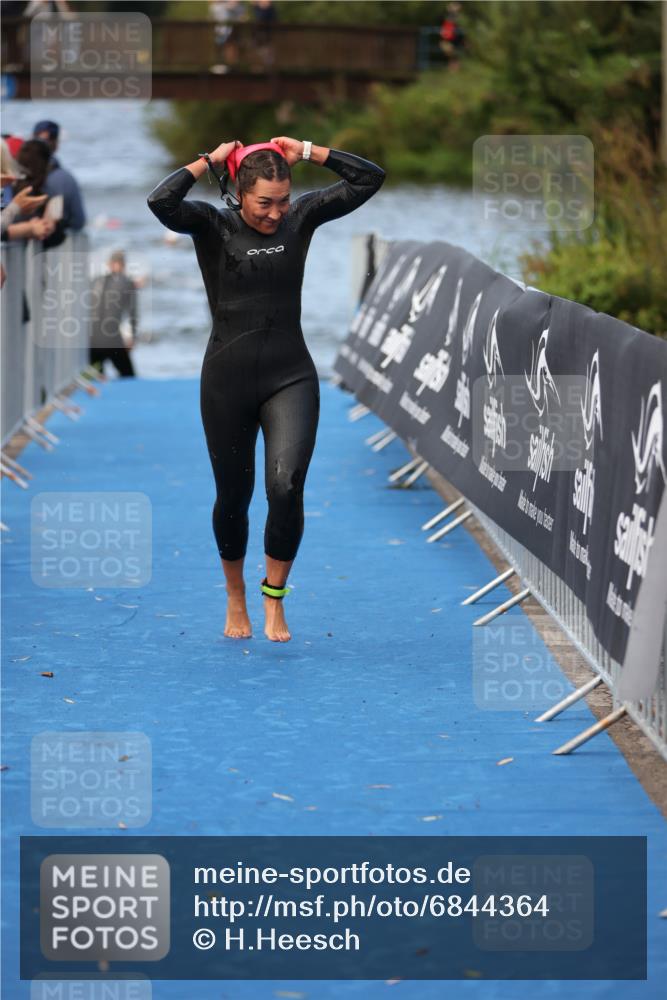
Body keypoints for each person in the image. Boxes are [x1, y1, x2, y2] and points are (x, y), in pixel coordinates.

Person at [147, 136, 385, 642]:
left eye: (283, 199)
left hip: (289, 375)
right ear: (238, 191)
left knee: (286, 485)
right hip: (226, 381)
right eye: (264, 203)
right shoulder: (212, 225)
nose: (276, 213)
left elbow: (369, 179)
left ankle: (274, 599)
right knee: (234, 497)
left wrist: (309, 151)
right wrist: (207, 160)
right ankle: (235, 597)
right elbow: (161, 202)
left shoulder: (301, 218)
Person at [88, 250, 138, 378]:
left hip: (92, 340)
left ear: (109, 264)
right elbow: (132, 313)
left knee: (95, 377)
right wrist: (131, 337)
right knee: (129, 376)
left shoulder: (95, 281)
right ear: (124, 265)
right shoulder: (127, 282)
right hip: (113, 340)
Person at [32, 120, 86, 232]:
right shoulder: (65, 179)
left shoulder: (14, 175)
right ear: (56, 144)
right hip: (53, 240)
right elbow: (78, 221)